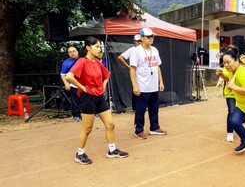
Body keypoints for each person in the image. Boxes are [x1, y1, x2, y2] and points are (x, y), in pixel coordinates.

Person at [65, 37, 128, 165]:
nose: (99, 49)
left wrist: (103, 86)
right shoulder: (82, 61)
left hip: (99, 96)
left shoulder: (97, 62)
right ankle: (80, 154)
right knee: (87, 128)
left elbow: (107, 75)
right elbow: (69, 76)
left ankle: (112, 150)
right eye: (97, 46)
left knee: (110, 124)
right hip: (87, 98)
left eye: (100, 46)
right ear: (88, 48)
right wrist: (83, 88)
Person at [129, 28, 167, 139]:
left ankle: (154, 128)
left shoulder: (155, 50)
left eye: (152, 36)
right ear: (142, 38)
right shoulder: (136, 51)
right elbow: (132, 69)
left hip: (153, 85)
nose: (151, 38)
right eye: (148, 36)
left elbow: (157, 66)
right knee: (140, 109)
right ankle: (138, 130)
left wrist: (161, 81)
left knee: (154, 108)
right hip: (142, 86)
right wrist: (135, 86)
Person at [216, 45, 238, 142]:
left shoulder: (241, 66)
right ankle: (230, 133)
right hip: (230, 92)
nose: (226, 63)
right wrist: (220, 79)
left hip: (241, 91)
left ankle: (244, 125)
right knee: (232, 111)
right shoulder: (226, 66)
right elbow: (225, 76)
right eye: (224, 62)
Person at [60, 46, 81, 122]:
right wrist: (66, 83)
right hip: (73, 84)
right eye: (70, 52)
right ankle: (76, 115)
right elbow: (63, 74)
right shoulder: (66, 62)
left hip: (84, 84)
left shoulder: (83, 60)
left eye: (74, 51)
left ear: (77, 51)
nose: (72, 53)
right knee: (75, 101)